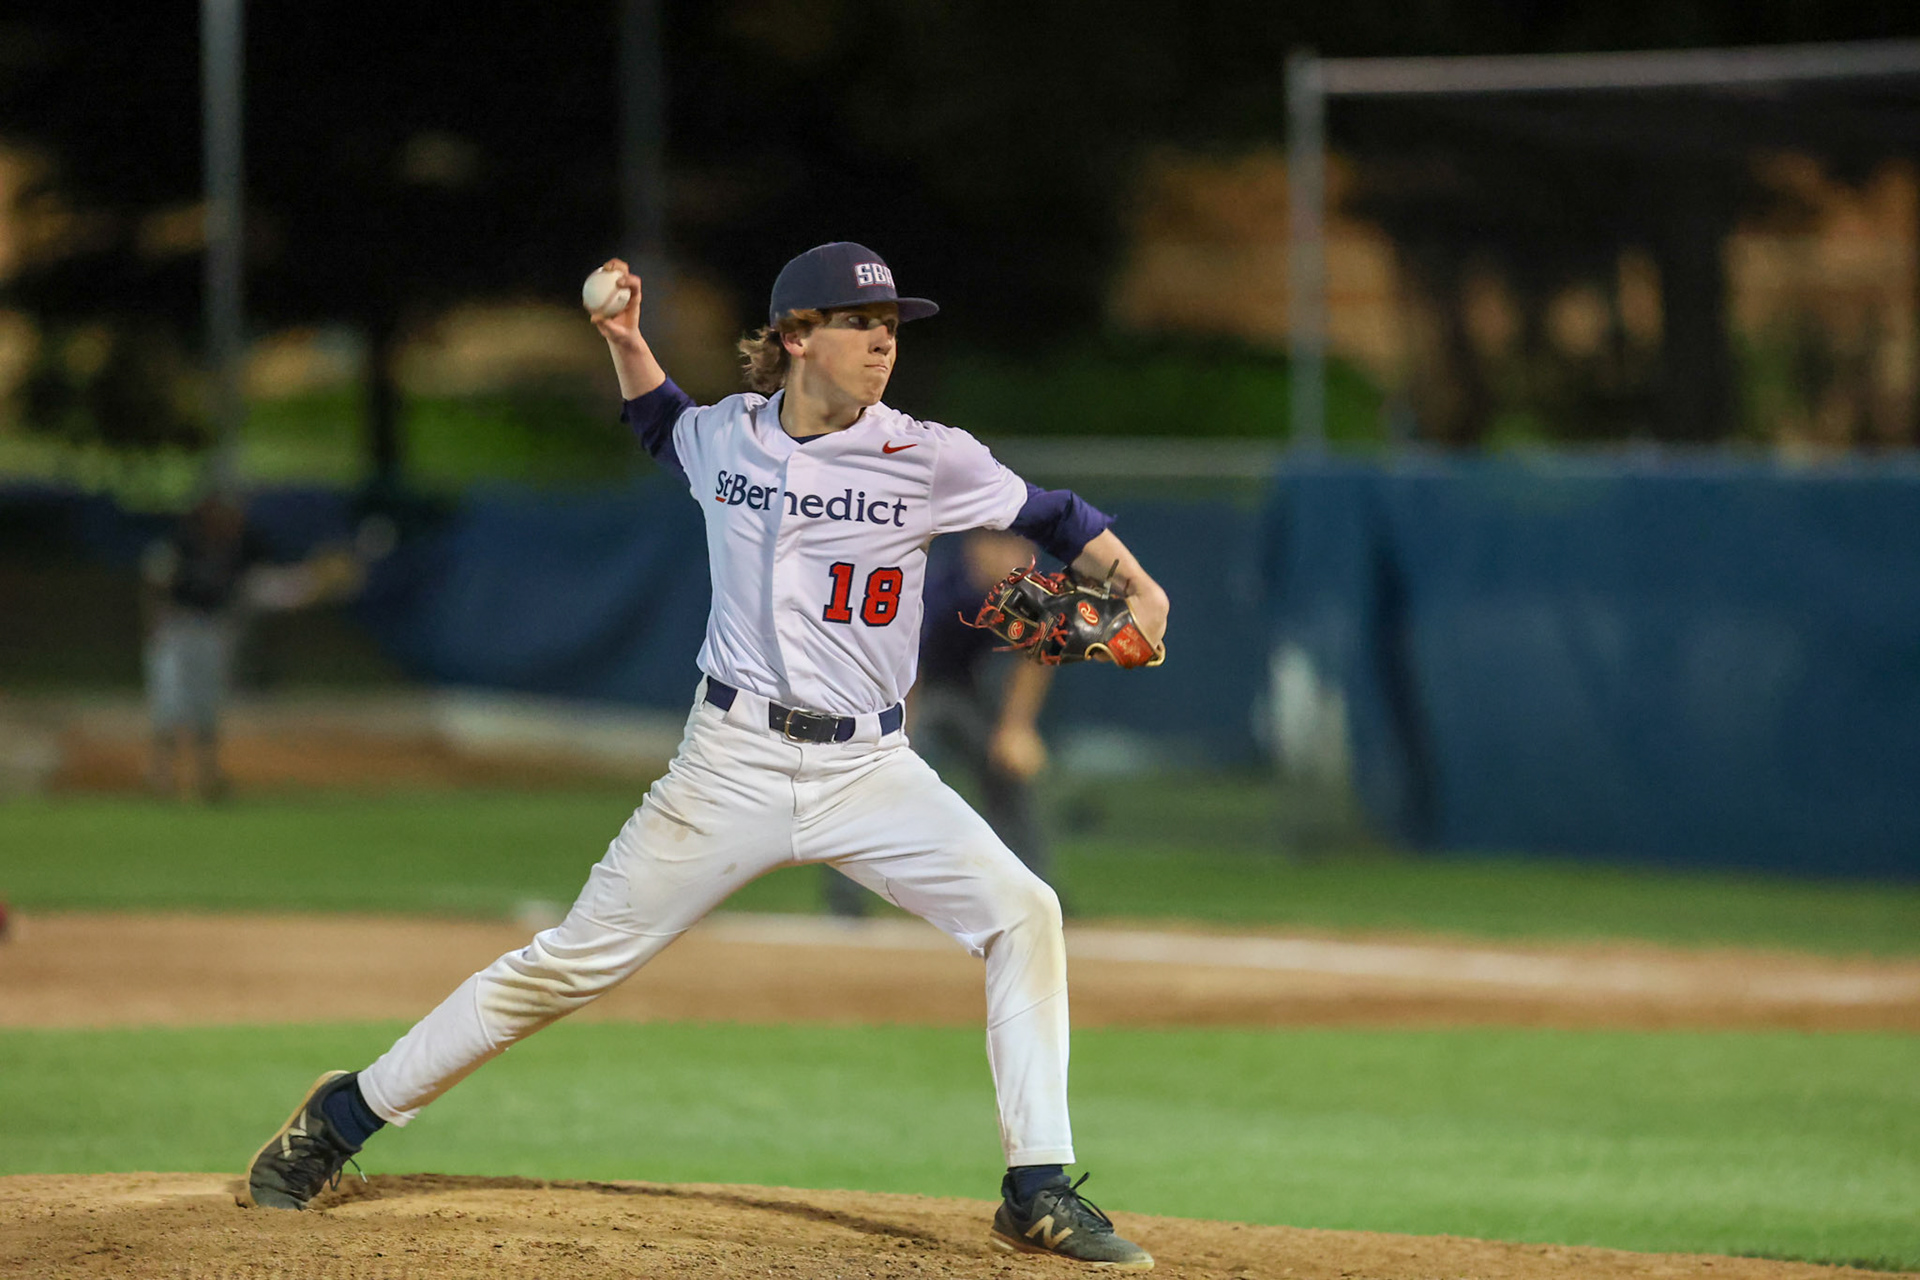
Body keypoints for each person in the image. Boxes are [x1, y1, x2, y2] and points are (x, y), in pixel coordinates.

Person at [241, 242, 1169, 1270]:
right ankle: (340, 1117)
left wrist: (1143, 588)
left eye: (892, 327)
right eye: (861, 323)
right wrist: (627, 339)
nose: (881, 343)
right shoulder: (729, 437)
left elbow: (1054, 516)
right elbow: (658, 422)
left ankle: (1037, 1184)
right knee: (566, 966)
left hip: (873, 769)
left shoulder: (930, 454)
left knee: (1023, 909)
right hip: (731, 762)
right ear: (795, 337)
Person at [824, 529, 1057, 918]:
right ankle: (845, 904)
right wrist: (896, 739)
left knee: (1008, 778)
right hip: (904, 689)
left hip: (968, 691)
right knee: (879, 784)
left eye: (1023, 545)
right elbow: (904, 665)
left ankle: (1038, 898)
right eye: (1005, 545)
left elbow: (1036, 657)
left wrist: (1016, 728)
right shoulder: (937, 587)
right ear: (976, 549)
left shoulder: (1026, 596)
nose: (1018, 555)